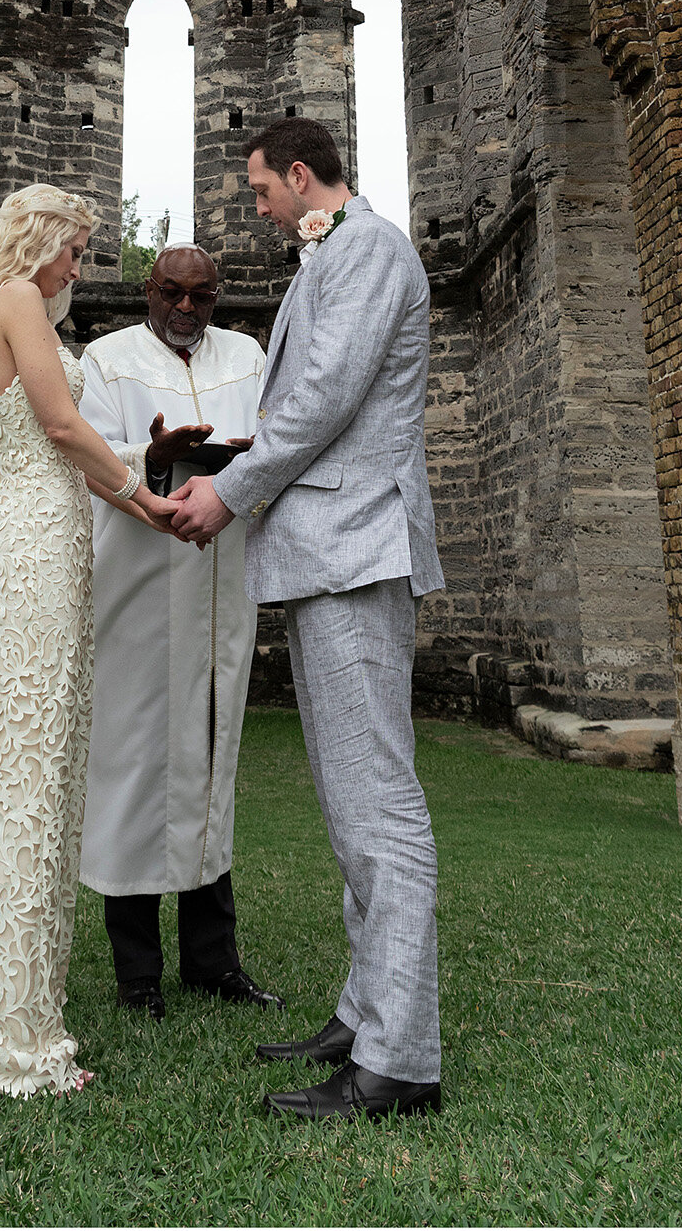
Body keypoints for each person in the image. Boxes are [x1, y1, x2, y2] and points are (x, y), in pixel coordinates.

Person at [171, 117, 445, 1124]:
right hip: (330, 547)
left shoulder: (367, 247)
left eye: (260, 188)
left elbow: (326, 396)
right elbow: (320, 396)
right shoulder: (332, 254)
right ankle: (365, 1010)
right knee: (349, 798)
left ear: (299, 174)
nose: (256, 205)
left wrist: (230, 491)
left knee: (380, 803)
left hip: (357, 545)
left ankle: (401, 1059)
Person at [0, 184, 180, 1096]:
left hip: (47, 548)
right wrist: (142, 499)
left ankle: (15, 1016)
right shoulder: (15, 300)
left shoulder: (19, 308)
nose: (81, 265)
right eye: (75, 248)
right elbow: (62, 425)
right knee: (19, 788)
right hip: (27, 556)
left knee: (37, 785)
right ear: (37, 241)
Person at [78, 244, 283, 1020]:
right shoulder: (108, 358)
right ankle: (137, 975)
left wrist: (235, 465)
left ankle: (213, 962)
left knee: (209, 759)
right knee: (132, 769)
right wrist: (150, 454)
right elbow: (88, 457)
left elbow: (274, 440)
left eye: (203, 297)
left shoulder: (247, 355)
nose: (188, 310)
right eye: (173, 293)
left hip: (220, 585)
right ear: (149, 291)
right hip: (136, 584)